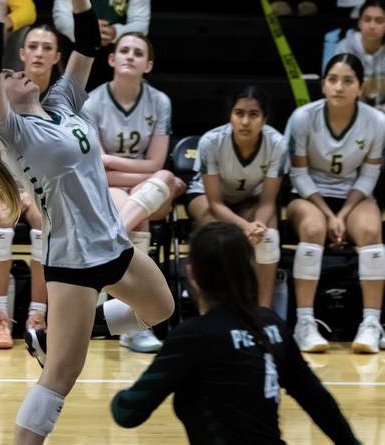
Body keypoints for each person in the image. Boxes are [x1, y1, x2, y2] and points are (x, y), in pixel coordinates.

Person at [0, 0, 173, 444]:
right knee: (62, 377)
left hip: (114, 242)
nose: (18, 73)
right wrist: (1, 0)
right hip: (73, 260)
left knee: (162, 309)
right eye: (9, 74)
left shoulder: (62, 103)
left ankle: (61, 332)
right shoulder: (13, 132)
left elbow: (87, 45)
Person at [111, 222, 360, 445]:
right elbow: (319, 402)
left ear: (192, 273)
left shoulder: (194, 336)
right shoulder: (271, 325)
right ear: (250, 269)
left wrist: (119, 397)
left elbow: (128, 413)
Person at [81, 31, 184, 353]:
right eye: (123, 50)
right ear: (111, 59)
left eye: (137, 53)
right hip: (105, 187)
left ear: (148, 65)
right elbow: (92, 169)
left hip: (141, 186)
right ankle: (134, 325)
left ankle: (101, 254)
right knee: (137, 221)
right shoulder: (92, 101)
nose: (129, 56)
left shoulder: (159, 102)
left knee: (165, 176)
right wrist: (120, 170)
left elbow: (156, 163)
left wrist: (111, 160)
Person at [286, 53, 385, 354]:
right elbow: (299, 174)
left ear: (361, 86)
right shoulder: (303, 117)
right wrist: (330, 216)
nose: (339, 87)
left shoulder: (377, 121)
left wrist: (343, 213)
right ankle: (305, 323)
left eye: (347, 80)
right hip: (307, 193)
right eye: (332, 79)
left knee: (370, 233)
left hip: (353, 195)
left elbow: (369, 175)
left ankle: (370, 323)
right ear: (323, 85)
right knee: (314, 229)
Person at [0, 24, 62, 348]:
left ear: (56, 57)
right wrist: (0, 188)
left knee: (44, 220)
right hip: (3, 184)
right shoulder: (2, 89)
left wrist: (37, 192)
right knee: (1, 217)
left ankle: (36, 316)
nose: (39, 53)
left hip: (43, 188)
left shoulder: (62, 99)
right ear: (22, 53)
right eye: (33, 46)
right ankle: (0, 316)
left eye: (46, 47)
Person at [184, 87, 287, 309]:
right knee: (218, 237)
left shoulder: (277, 143)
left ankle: (263, 312)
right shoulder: (211, 141)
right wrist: (245, 227)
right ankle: (211, 310)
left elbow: (268, 201)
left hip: (249, 199)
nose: (245, 121)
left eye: (253, 114)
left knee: (268, 235)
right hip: (207, 198)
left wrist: (258, 226)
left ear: (265, 119)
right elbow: (216, 203)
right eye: (239, 113)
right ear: (230, 116)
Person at [335, 0, 385, 108]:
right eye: (367, 20)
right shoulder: (345, 47)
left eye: (379, 21)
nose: (372, 26)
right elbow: (338, 87)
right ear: (359, 23)